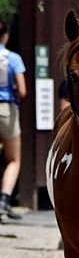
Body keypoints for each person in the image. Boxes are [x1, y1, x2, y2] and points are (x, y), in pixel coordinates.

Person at [0, 18, 26, 218]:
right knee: (13, 159)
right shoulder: (13, 58)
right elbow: (23, 90)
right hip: (7, 109)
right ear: (5, 35)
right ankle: (4, 201)